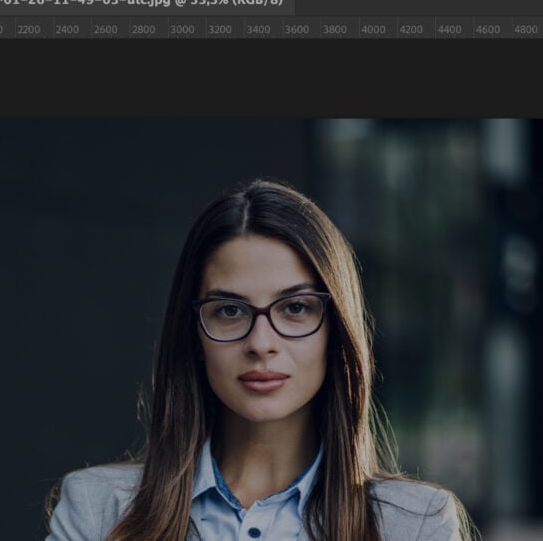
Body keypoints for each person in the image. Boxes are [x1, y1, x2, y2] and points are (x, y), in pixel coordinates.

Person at [45, 179, 476, 541]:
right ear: (194, 333)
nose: (261, 342)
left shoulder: (416, 524)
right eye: (230, 311)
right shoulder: (97, 511)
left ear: (336, 330)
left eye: (295, 308)